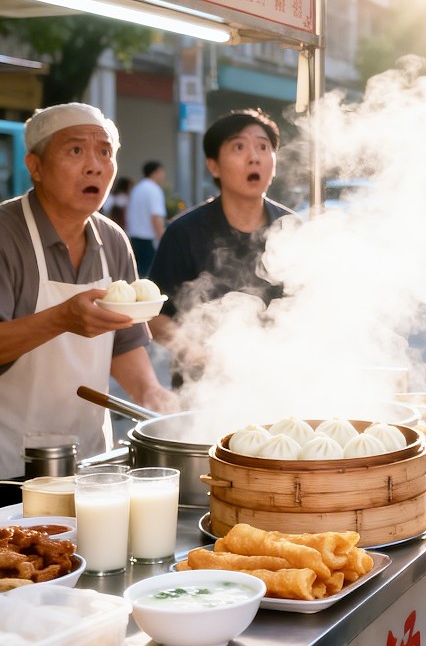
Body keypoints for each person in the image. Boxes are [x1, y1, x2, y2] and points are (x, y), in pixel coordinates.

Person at [0, 103, 174, 498]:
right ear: (36, 166)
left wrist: (153, 396)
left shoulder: (112, 239)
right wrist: (61, 318)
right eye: (76, 151)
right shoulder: (5, 235)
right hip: (10, 468)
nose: (95, 165)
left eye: (105, 152)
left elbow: (125, 343)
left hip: (92, 463)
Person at [148, 109, 293, 389]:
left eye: (263, 147)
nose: (254, 157)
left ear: (273, 163)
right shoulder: (183, 232)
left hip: (276, 386)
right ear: (213, 166)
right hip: (202, 390)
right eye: (239, 147)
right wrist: (194, 352)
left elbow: (307, 311)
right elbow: (156, 317)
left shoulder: (292, 229)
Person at [124, 160, 167, 276]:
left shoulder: (137, 188)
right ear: (156, 172)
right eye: (162, 172)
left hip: (135, 236)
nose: (163, 175)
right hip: (149, 238)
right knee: (149, 276)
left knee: (137, 273)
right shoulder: (153, 189)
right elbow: (156, 216)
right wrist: (163, 240)